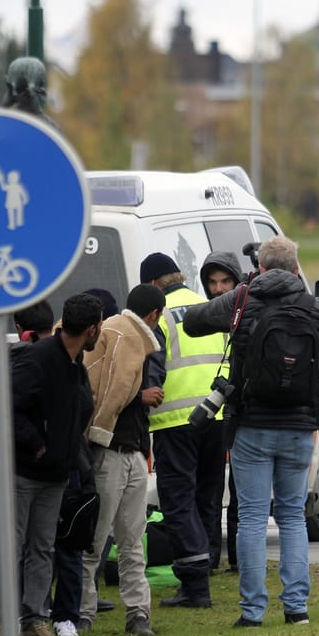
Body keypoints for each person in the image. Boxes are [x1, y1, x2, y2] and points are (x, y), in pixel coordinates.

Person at [183, 235, 319, 628]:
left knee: (251, 516)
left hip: (252, 423)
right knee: (293, 517)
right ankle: (296, 608)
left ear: (261, 268)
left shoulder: (241, 299)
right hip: (300, 425)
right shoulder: (314, 306)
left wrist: (245, 293)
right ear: (296, 268)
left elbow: (194, 321)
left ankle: (252, 612)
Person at [0, 294, 99, 636]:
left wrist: (65, 448)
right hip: (23, 471)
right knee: (10, 546)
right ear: (93, 328)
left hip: (55, 474)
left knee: (43, 548)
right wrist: (37, 443)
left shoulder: (75, 363)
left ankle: (34, 618)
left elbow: (79, 409)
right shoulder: (38, 358)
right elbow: (5, 407)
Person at [140, 251, 228, 608]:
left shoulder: (160, 315)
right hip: (215, 416)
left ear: (150, 284)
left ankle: (194, 586)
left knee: (178, 501)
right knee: (207, 497)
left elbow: (153, 370)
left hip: (174, 422)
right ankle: (206, 566)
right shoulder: (210, 306)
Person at [78, 284, 165, 636]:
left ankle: (133, 612)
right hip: (113, 452)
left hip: (130, 450)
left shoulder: (117, 333)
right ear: (154, 315)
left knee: (126, 539)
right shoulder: (126, 335)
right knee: (102, 541)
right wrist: (138, 396)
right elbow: (110, 393)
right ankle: (93, 612)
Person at [200, 251, 242, 571]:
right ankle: (211, 555)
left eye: (225, 281)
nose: (218, 288)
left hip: (241, 413)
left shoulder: (248, 316)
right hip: (211, 416)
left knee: (240, 492)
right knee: (211, 490)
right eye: (212, 282)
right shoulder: (204, 318)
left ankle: (239, 557)